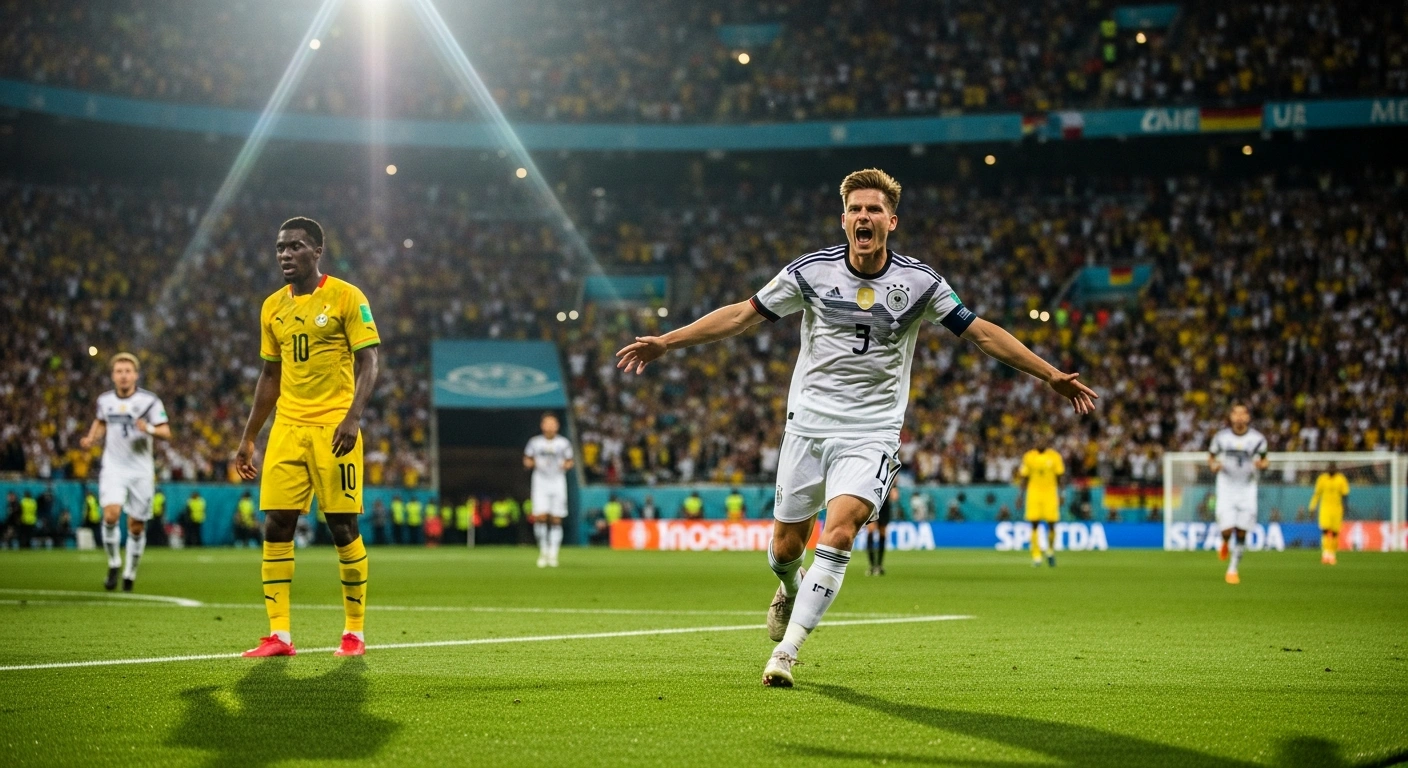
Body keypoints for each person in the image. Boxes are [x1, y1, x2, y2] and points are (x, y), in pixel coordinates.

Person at [616, 168, 1097, 687]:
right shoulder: (811, 272)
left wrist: (1049, 374)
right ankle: (788, 586)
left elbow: (980, 333)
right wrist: (667, 341)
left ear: (891, 220)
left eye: (874, 210)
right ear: (844, 219)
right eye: (856, 209)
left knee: (840, 531)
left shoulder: (920, 283)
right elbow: (742, 315)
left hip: (872, 431)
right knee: (784, 548)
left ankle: (788, 653)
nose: (864, 217)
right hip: (808, 426)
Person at [234, 216, 380, 658]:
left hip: (335, 428)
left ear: (317, 251)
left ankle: (353, 632)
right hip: (287, 428)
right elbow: (269, 375)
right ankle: (279, 636)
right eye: (280, 247)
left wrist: (353, 417)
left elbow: (369, 362)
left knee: (341, 527)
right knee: (276, 523)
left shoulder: (346, 296)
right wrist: (248, 438)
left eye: (295, 246)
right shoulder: (272, 307)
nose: (285, 254)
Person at [79, 352, 172, 592]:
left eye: (127, 371)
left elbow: (166, 432)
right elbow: (101, 421)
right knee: (110, 515)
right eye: (119, 371)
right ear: (113, 375)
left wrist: (148, 428)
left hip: (140, 470)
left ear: (135, 375)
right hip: (114, 467)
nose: (123, 375)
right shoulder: (105, 401)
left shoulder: (150, 401)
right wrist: (91, 438)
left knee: (136, 526)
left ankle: (129, 573)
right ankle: (114, 563)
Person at [1207, 402, 1269, 585]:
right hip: (1226, 488)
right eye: (1236, 413)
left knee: (1242, 530)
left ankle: (1232, 569)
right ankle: (1225, 542)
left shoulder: (1258, 439)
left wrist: (1262, 465)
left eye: (1243, 413)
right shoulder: (1221, 438)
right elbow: (1211, 457)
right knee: (1226, 529)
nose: (1240, 417)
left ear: (1248, 417)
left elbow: (1265, 461)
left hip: (1247, 488)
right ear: (1231, 417)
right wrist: (1213, 465)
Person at [524, 412, 575, 568]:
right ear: (542, 425)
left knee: (556, 518)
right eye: (547, 423)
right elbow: (527, 458)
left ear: (557, 426)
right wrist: (530, 464)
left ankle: (553, 553)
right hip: (540, 481)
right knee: (540, 516)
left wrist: (565, 466)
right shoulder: (535, 443)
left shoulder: (563, 443)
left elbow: (570, 461)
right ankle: (543, 550)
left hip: (557, 481)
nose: (550, 426)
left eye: (553, 423)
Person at [1018, 441, 1065, 568]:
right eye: (1038, 440)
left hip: (1050, 493)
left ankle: (1050, 550)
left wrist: (1062, 494)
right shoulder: (1029, 457)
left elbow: (1060, 477)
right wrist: (1020, 496)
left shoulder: (1055, 456)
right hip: (1034, 493)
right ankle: (1036, 555)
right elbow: (1024, 477)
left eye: (1043, 439)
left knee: (1052, 524)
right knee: (1034, 524)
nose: (1040, 442)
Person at [1309, 463, 1350, 565]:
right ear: (1327, 469)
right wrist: (1312, 507)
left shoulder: (1341, 479)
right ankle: (1325, 554)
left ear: (1336, 469)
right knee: (1325, 531)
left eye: (1333, 468)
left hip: (1337, 509)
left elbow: (1345, 495)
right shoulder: (1322, 479)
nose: (1331, 470)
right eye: (1329, 468)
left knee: (1335, 533)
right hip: (1325, 509)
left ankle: (1332, 554)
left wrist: (1345, 507)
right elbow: (1317, 494)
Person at [866, 485, 901, 576]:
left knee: (883, 533)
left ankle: (879, 565)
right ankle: (872, 565)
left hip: (884, 506)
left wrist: (894, 491)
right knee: (871, 531)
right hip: (872, 504)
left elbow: (894, 495)